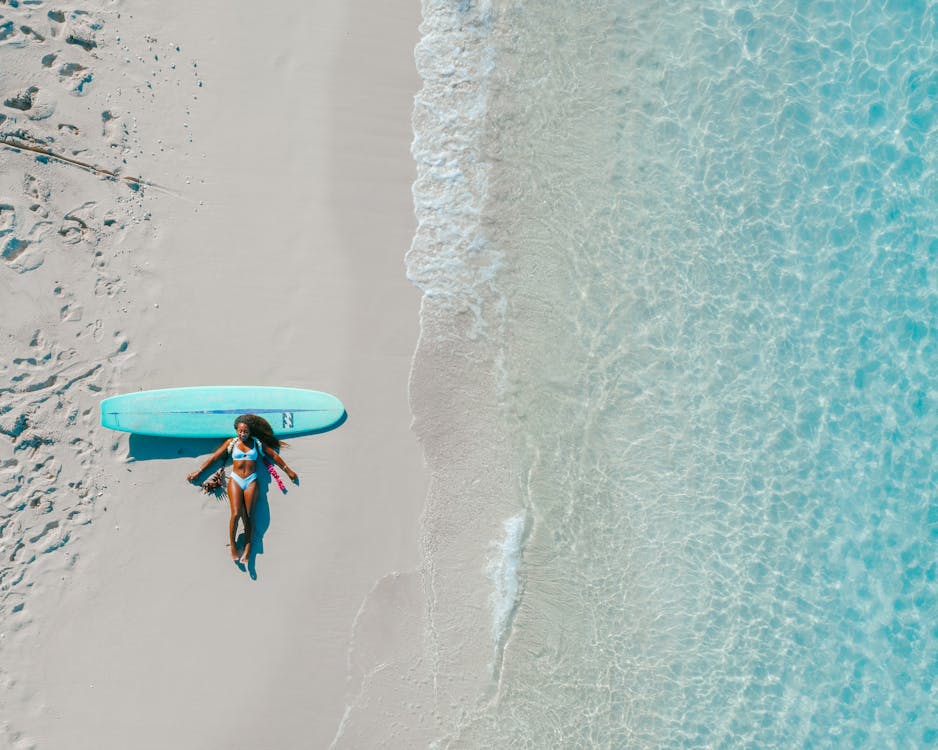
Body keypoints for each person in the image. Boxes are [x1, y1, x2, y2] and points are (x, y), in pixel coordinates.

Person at [186, 414, 298, 563]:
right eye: (240, 431)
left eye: (245, 432)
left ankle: (247, 548)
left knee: (249, 516)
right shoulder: (231, 443)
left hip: (251, 480)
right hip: (236, 480)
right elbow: (214, 458)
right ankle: (233, 545)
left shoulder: (257, 443)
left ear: (250, 432)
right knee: (236, 513)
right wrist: (199, 472)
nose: (242, 434)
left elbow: (274, 456)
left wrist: (287, 470)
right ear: (236, 430)